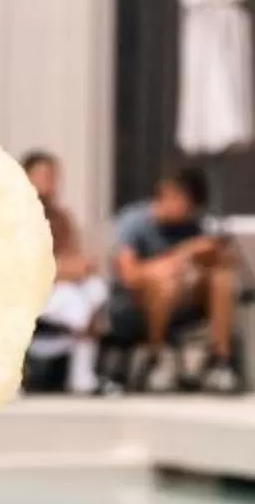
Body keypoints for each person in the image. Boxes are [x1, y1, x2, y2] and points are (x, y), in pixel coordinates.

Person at [106, 163, 242, 396]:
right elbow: (130, 275)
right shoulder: (135, 221)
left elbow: (224, 266)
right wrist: (181, 255)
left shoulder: (196, 226)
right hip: (137, 303)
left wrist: (214, 252)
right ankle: (155, 359)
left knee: (221, 278)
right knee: (167, 283)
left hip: (184, 303)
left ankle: (221, 362)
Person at [23, 151, 107, 396]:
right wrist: (63, 269)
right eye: (44, 175)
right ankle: (80, 375)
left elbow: (73, 257)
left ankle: (83, 373)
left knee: (95, 290)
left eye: (54, 176)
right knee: (75, 304)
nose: (51, 182)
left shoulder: (61, 218)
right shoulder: (15, 215)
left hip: (61, 286)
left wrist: (78, 267)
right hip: (28, 292)